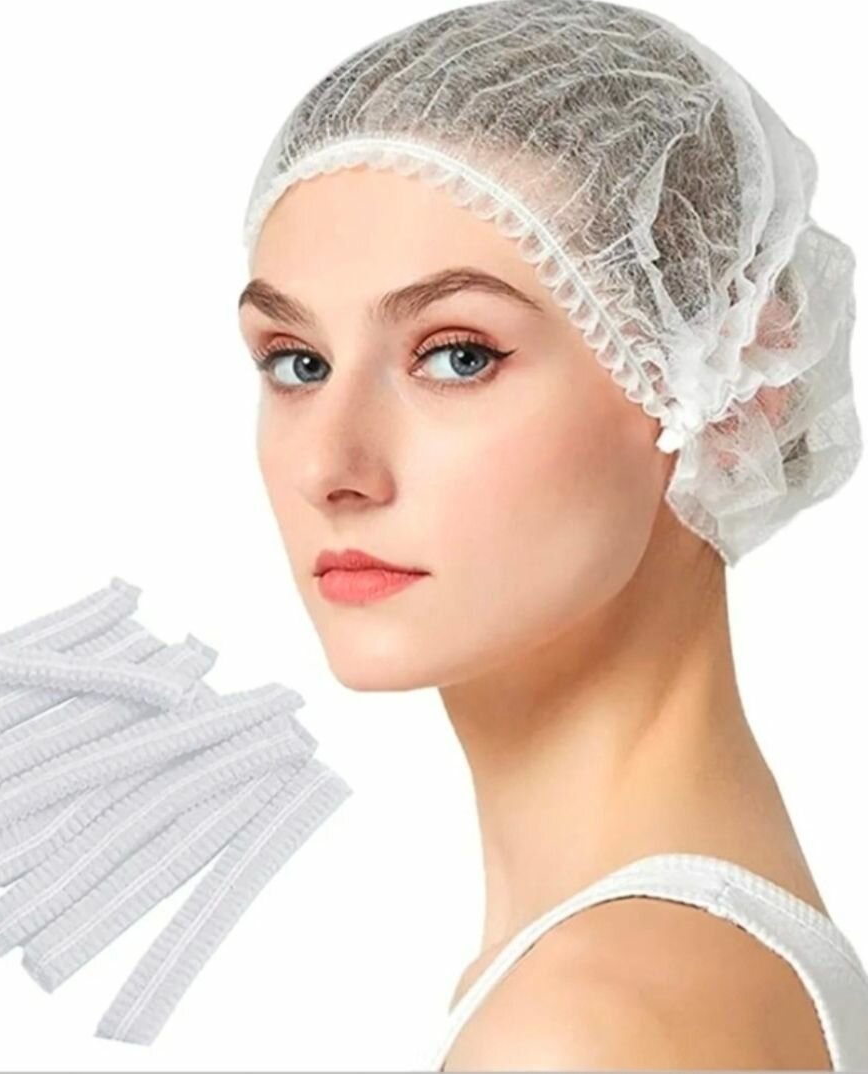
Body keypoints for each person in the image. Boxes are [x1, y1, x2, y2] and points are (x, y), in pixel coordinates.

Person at [236, 0, 868, 1068]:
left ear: (732, 387)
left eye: (458, 355)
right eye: (297, 363)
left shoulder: (585, 1024)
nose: (328, 469)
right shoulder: (686, 963)